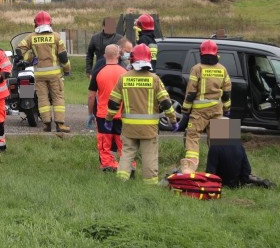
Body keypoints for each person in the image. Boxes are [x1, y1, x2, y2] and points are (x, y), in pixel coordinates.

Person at [105, 43, 177, 184]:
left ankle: (121, 181)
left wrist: (109, 119)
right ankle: (149, 185)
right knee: (149, 156)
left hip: (129, 127)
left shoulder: (124, 78)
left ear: (132, 59)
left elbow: (113, 103)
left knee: (127, 154)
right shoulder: (154, 79)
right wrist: (173, 120)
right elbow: (166, 103)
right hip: (148, 129)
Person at [176, 40, 231, 173]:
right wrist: (227, 109)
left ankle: (190, 167)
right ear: (216, 53)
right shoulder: (222, 69)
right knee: (220, 140)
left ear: (201, 53)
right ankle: (222, 169)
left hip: (199, 112)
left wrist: (185, 110)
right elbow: (227, 92)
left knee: (193, 136)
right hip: (217, 110)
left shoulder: (197, 68)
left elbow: (191, 92)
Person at [17, 11, 72, 132]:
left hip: (39, 74)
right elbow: (63, 57)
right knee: (58, 98)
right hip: (55, 75)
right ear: (50, 23)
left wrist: (31, 57)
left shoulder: (31, 37)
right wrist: (67, 70)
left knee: (42, 99)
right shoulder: (56, 37)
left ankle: (46, 124)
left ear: (35, 24)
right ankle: (60, 125)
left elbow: (19, 50)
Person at [87, 44, 128, 172]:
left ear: (105, 56)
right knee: (123, 142)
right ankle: (127, 166)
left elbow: (91, 96)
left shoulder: (98, 72)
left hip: (103, 115)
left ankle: (107, 165)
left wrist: (90, 114)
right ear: (118, 55)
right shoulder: (125, 72)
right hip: (121, 114)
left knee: (105, 143)